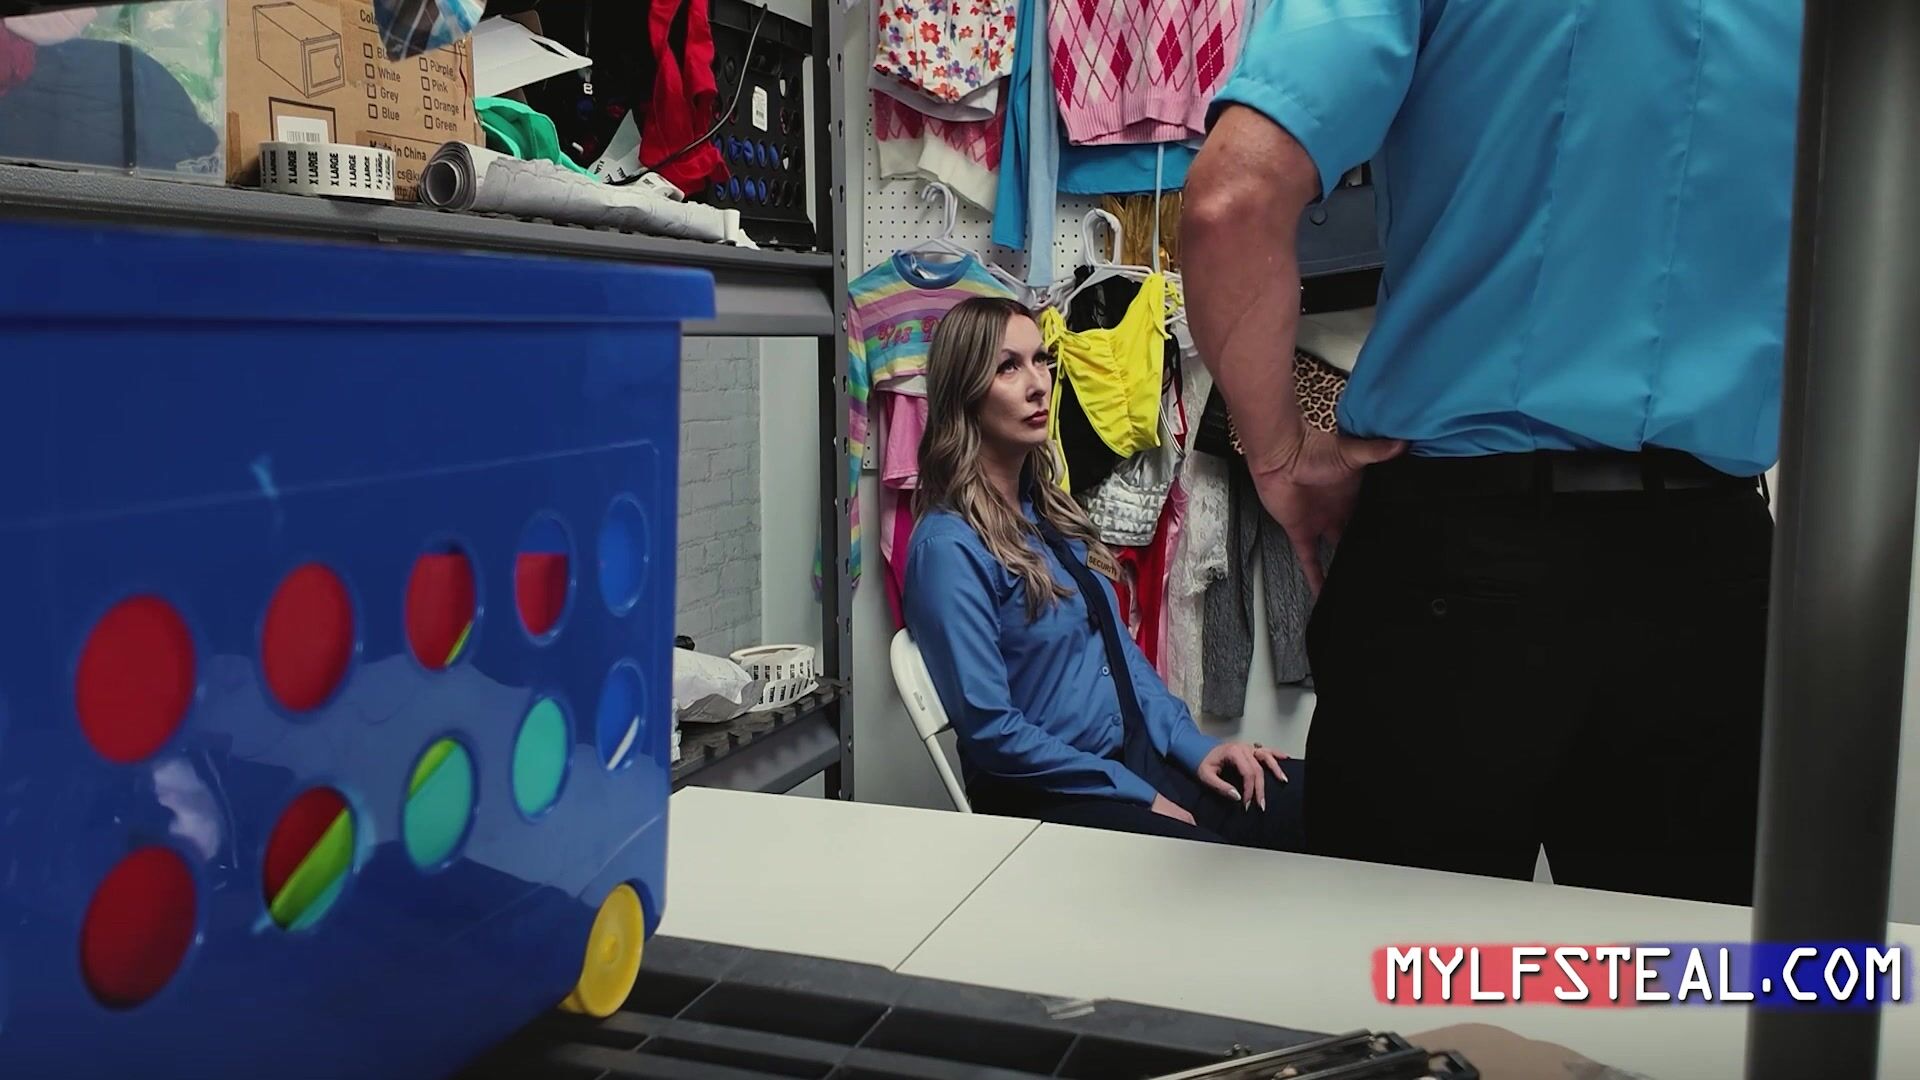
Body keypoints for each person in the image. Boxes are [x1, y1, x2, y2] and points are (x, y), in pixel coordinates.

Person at [1181, 1, 1801, 905]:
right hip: (1717, 575)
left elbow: (1231, 203)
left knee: (1379, 973)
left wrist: (1279, 455)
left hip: (1455, 559)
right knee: (1683, 981)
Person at [903, 296, 1305, 849]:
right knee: (1210, 871)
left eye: (1041, 360)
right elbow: (992, 732)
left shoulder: (1049, 512)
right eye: (1007, 367)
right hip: (1050, 794)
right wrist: (1136, 793)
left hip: (1133, 759)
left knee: (1313, 797)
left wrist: (1196, 748)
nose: (1038, 384)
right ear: (963, 393)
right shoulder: (948, 548)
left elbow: (1120, 654)